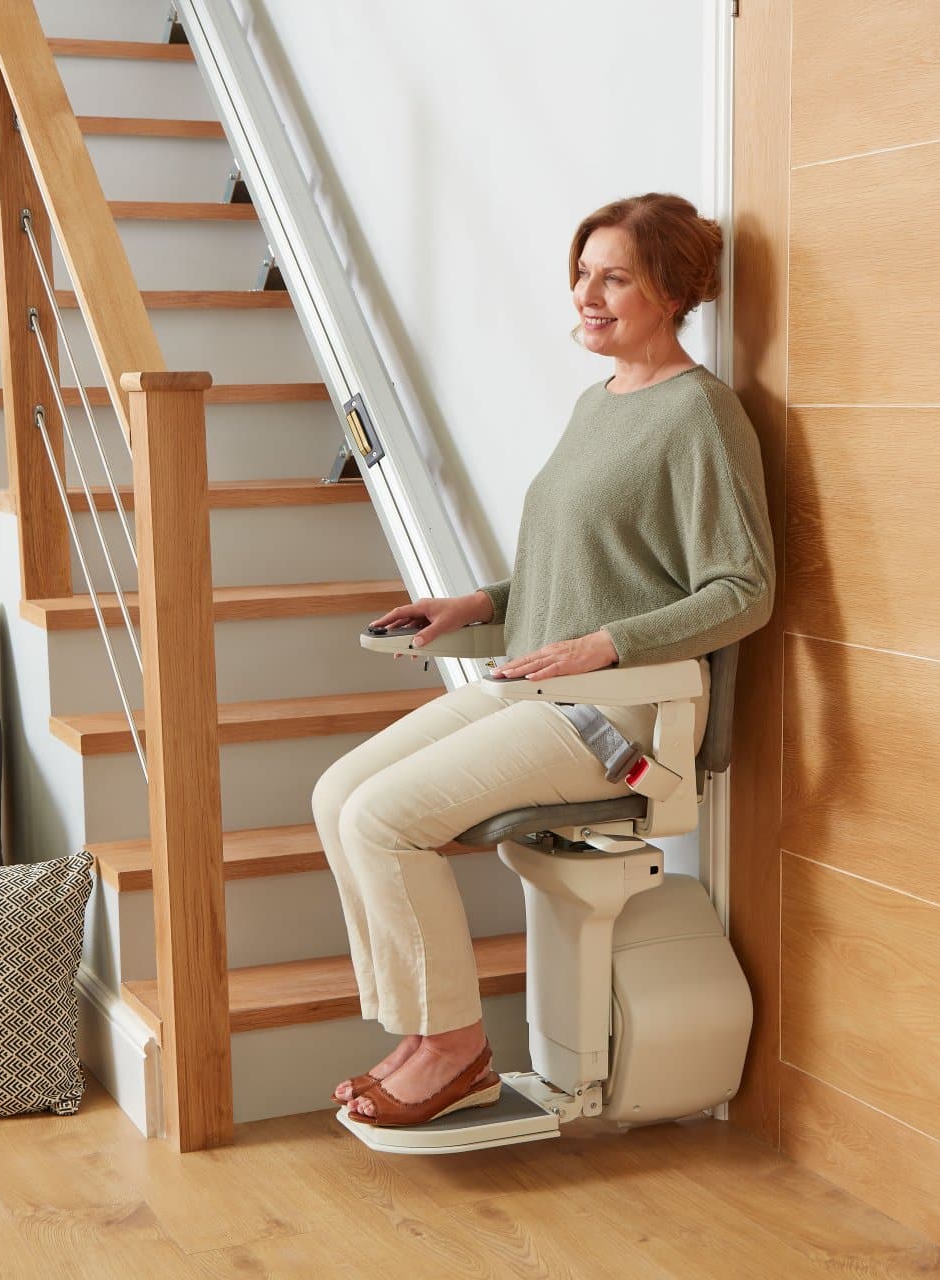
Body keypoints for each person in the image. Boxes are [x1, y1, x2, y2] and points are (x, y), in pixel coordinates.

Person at [311, 192, 775, 1127]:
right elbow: (576, 575)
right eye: (583, 272)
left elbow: (744, 590)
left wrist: (605, 646)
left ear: (672, 292)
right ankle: (424, 1027)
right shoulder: (595, 403)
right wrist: (479, 605)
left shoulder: (700, 415)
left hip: (619, 717)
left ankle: (455, 1050)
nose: (586, 294)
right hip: (539, 688)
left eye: (615, 278)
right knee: (339, 796)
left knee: (387, 818)